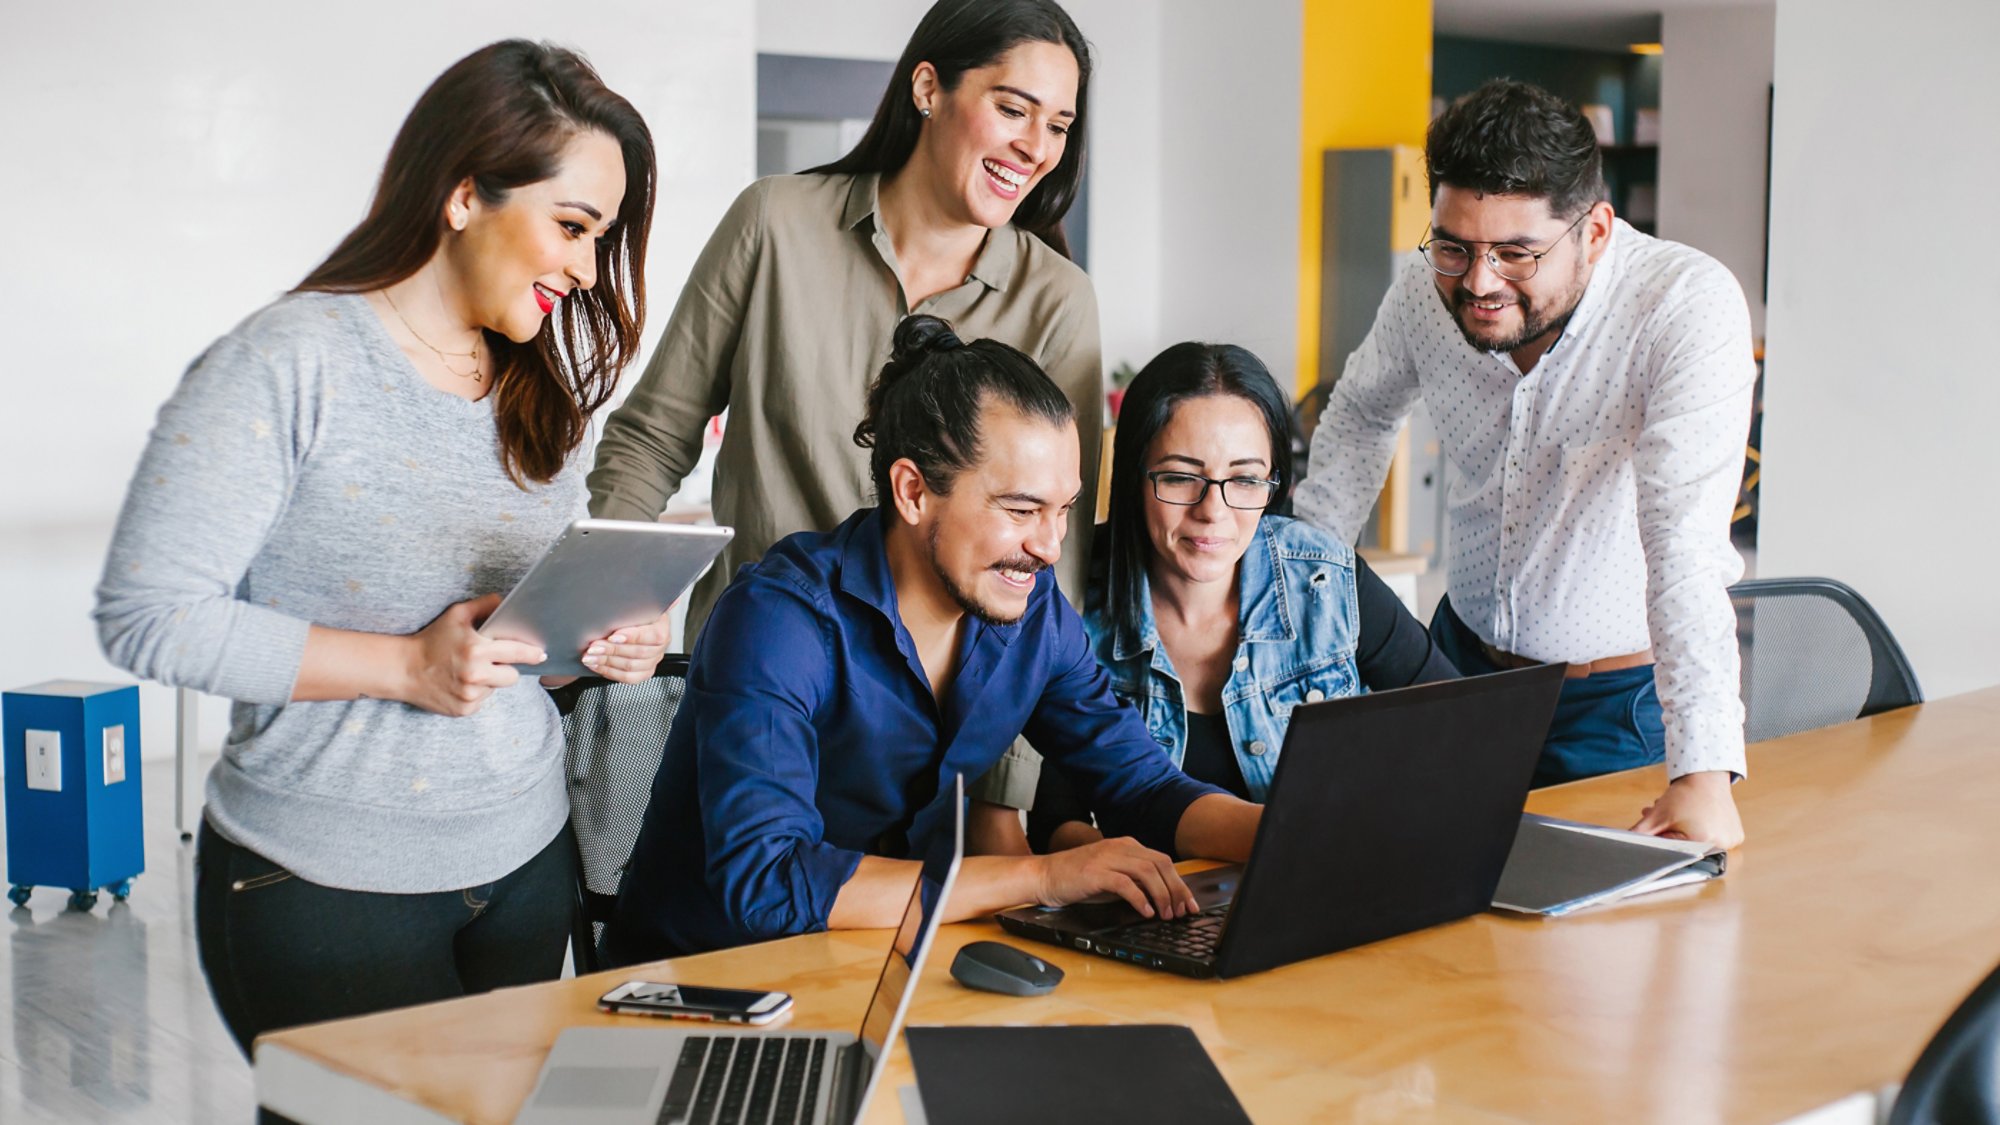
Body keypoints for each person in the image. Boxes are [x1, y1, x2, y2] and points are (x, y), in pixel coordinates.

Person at [93, 41, 668, 1055]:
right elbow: (150, 618)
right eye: (572, 228)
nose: (586, 270)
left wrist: (602, 638)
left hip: (525, 861)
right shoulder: (287, 362)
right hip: (321, 885)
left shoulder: (538, 391)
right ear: (461, 197)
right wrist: (405, 667)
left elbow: (517, 646)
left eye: (600, 238)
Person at [603, 316, 1263, 961]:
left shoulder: (1033, 617)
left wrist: (1290, 835)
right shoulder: (779, 619)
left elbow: (1143, 785)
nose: (1049, 545)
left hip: (880, 967)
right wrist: (1043, 877)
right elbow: (769, 882)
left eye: (1063, 510)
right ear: (914, 491)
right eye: (1022, 509)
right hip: (696, 983)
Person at [586, 0, 1102, 822]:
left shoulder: (1058, 300)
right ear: (928, 87)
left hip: (936, 747)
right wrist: (615, 595)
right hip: (753, 699)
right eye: (1013, 109)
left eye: (1059, 125)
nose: (1036, 147)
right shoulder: (775, 224)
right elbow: (653, 434)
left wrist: (1003, 799)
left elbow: (1047, 570)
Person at [1292, 79, 1756, 847]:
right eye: (1455, 246)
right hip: (1457, 667)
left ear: (1596, 232)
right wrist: (1299, 592)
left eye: (1515, 253)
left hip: (1616, 704)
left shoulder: (1682, 308)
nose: (1478, 282)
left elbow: (1684, 541)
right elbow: (1361, 414)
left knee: (1588, 957)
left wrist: (1702, 772)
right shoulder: (1425, 289)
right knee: (1418, 906)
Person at [1025, 343, 1458, 852]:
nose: (1214, 510)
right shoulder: (1067, 599)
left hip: (1314, 888)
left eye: (1246, 479)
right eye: (1183, 477)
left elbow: (1456, 729)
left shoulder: (1321, 578)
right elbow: (1053, 817)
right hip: (1150, 910)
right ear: (1135, 476)